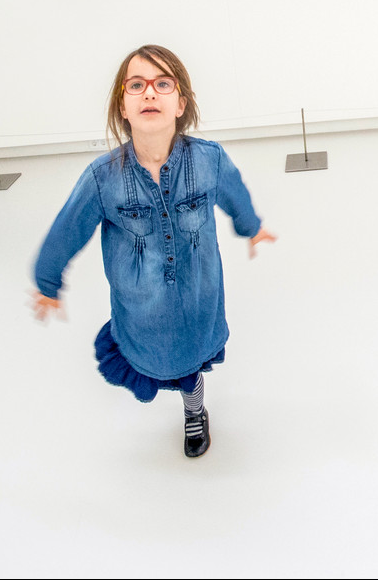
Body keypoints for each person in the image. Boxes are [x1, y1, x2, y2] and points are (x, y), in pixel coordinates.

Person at [31, 45, 276, 458]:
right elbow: (66, 230)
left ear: (180, 103)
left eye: (163, 84)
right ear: (122, 107)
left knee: (191, 369)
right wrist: (48, 282)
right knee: (158, 357)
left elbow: (234, 193)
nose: (149, 93)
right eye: (137, 85)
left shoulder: (208, 160)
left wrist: (251, 227)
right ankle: (179, 387)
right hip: (142, 312)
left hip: (198, 303)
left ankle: (194, 411)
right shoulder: (101, 178)